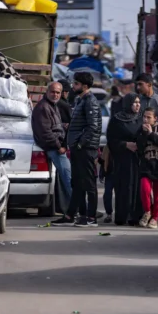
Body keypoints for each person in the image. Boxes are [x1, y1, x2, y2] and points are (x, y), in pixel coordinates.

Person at [51, 72, 102, 227]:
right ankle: (71, 215)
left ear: (84, 86)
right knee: (77, 183)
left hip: (85, 149)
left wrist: (80, 144)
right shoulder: (81, 100)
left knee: (88, 183)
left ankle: (91, 217)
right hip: (78, 149)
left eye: (76, 84)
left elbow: (92, 127)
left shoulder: (90, 102)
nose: (73, 87)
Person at [135, 73, 158, 224]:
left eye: (140, 84)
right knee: (144, 184)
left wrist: (151, 131)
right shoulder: (140, 101)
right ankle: (146, 213)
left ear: (149, 84)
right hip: (144, 148)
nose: (138, 88)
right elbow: (138, 122)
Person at [32, 82, 72, 207]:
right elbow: (45, 132)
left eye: (58, 92)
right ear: (47, 92)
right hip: (54, 149)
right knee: (69, 179)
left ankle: (72, 208)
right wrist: (58, 146)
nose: (55, 94)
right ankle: (81, 209)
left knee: (66, 179)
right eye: (53, 92)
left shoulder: (52, 106)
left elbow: (55, 126)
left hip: (57, 147)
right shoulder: (43, 107)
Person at [107, 93, 144, 226]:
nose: (137, 105)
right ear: (127, 104)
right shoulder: (117, 120)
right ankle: (123, 216)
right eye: (134, 102)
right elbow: (111, 140)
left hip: (138, 159)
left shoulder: (141, 119)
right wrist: (126, 145)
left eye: (139, 102)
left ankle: (136, 216)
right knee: (124, 187)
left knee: (138, 187)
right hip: (123, 159)